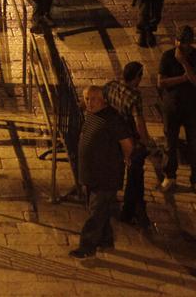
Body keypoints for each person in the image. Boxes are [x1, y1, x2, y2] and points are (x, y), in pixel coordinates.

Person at [70, 85, 134, 260]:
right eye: (87, 99)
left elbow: (127, 143)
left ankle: (87, 247)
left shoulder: (113, 119)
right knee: (100, 210)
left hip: (107, 175)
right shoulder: (91, 114)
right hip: (91, 174)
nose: (89, 103)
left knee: (96, 212)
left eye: (94, 99)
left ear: (103, 100)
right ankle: (105, 240)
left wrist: (126, 159)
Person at [105, 61, 156, 230]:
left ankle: (136, 208)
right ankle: (131, 210)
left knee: (136, 173)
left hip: (110, 137)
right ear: (136, 78)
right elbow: (139, 123)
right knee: (136, 171)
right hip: (126, 140)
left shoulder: (111, 85)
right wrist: (147, 143)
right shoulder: (134, 96)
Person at [157, 25, 196, 195]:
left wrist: (184, 63)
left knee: (194, 144)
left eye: (184, 42)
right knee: (170, 143)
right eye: (178, 41)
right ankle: (169, 176)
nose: (180, 45)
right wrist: (184, 78)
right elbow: (161, 82)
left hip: (192, 108)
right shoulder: (167, 56)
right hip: (171, 107)